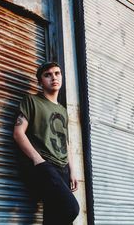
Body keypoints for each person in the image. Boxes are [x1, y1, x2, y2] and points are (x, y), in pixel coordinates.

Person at [13, 61, 80, 225]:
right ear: (40, 81)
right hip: (45, 165)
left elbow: (66, 142)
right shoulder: (32, 101)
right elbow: (18, 132)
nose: (54, 77)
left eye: (57, 73)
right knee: (71, 208)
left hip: (62, 168)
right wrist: (38, 160)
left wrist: (72, 170)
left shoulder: (63, 110)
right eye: (47, 75)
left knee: (53, 216)